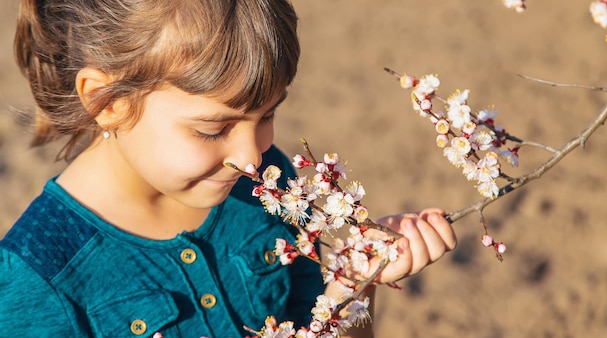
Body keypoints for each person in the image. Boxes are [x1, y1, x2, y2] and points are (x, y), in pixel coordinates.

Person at [0, 0, 457, 337]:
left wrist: (353, 287)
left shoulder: (270, 190)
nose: (253, 158)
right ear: (108, 102)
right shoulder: (40, 281)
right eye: (213, 129)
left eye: (267, 116)